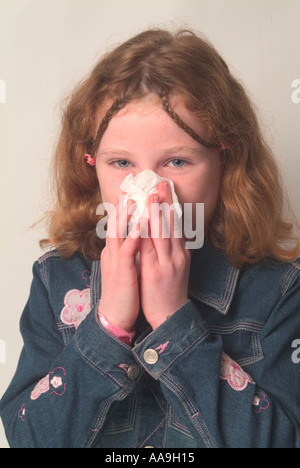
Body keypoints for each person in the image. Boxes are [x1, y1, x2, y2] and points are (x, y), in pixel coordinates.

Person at [1, 29, 300, 449]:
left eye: (177, 161)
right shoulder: (58, 279)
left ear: (225, 160)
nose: (148, 188)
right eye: (121, 162)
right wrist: (107, 326)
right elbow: (27, 435)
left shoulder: (279, 289)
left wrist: (175, 320)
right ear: (91, 165)